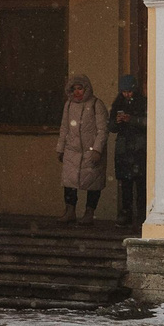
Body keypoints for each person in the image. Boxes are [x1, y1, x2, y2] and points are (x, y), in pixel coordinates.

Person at [56, 73, 108, 224]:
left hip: (90, 151)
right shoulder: (69, 105)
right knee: (69, 182)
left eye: (80, 88)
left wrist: (97, 150)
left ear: (87, 89)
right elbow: (64, 128)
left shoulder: (96, 104)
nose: (77, 92)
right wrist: (60, 148)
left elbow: (103, 130)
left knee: (93, 183)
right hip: (72, 151)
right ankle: (70, 211)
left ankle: (89, 213)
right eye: (74, 89)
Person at [110, 74, 148, 227]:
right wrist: (117, 122)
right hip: (124, 149)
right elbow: (111, 126)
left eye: (129, 91)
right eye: (124, 92)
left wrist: (131, 120)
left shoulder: (143, 103)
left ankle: (141, 214)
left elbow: (148, 123)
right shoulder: (117, 104)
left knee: (141, 183)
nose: (127, 94)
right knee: (125, 183)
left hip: (138, 148)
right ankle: (126, 212)